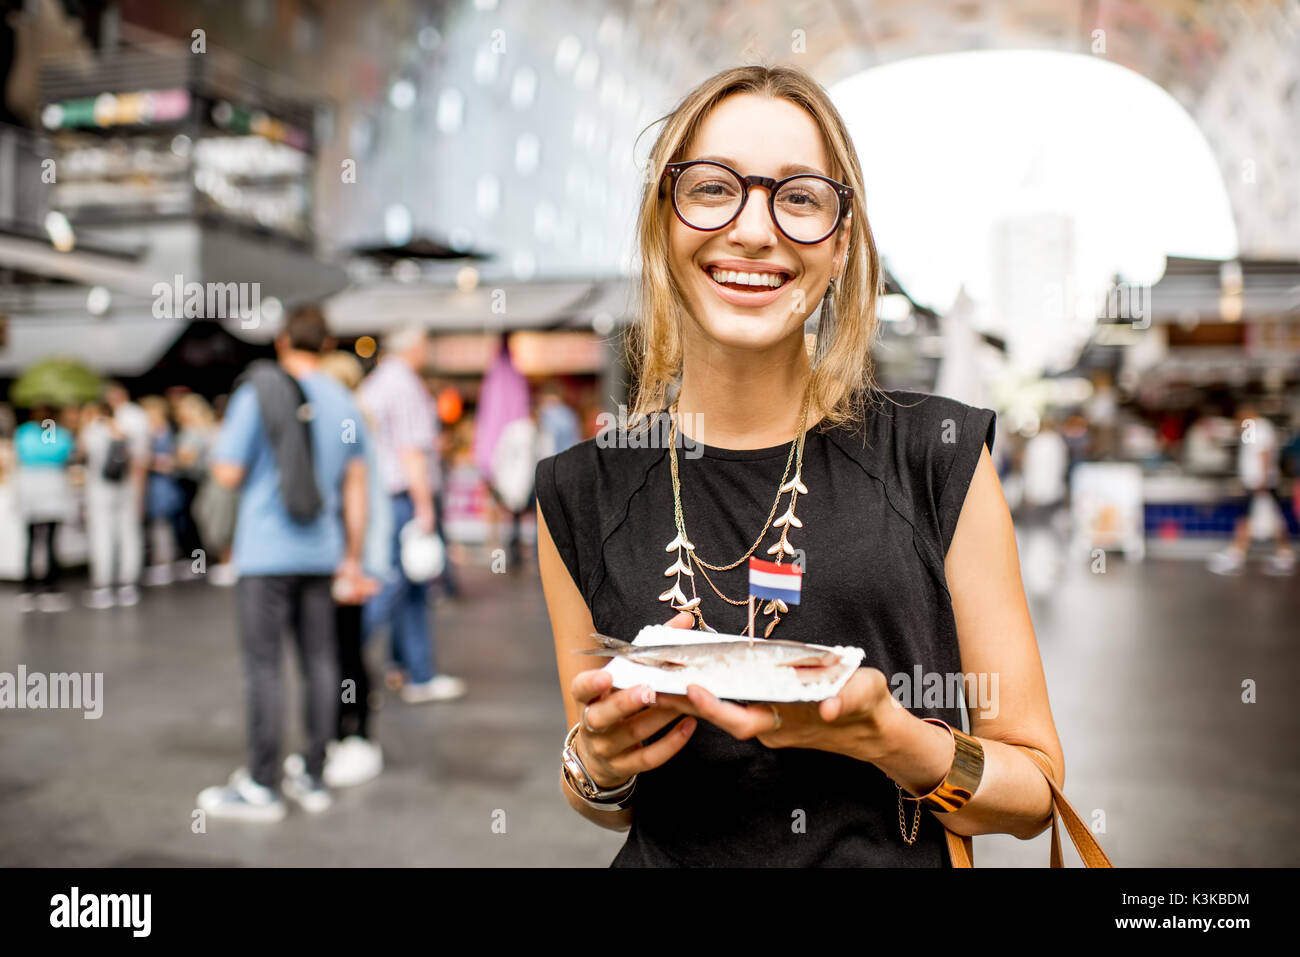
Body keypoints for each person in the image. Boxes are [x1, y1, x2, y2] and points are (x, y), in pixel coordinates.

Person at [535, 65, 1065, 866]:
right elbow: (604, 797)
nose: (753, 229)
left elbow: (1035, 794)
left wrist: (893, 739)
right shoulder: (579, 489)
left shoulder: (937, 456)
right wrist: (599, 764)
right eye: (713, 188)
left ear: (841, 240)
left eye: (800, 197)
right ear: (662, 217)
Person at [196, 305, 370, 821]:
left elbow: (226, 471)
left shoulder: (258, 393)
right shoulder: (344, 401)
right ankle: (313, 776)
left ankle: (261, 785)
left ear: (282, 342)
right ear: (328, 343)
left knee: (263, 666)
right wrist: (352, 557)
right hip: (322, 552)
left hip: (265, 553)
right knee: (322, 662)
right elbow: (356, 489)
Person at [359, 324, 465, 704]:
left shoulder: (376, 384)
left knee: (399, 585)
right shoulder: (405, 386)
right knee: (404, 585)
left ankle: (404, 668)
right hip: (402, 497)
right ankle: (407, 670)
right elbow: (411, 452)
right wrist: (424, 508)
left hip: (381, 496)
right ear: (414, 347)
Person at [81, 385, 150, 609]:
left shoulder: (94, 427)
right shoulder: (134, 422)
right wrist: (140, 493)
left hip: (100, 489)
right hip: (127, 487)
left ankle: (103, 584)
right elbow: (140, 461)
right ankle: (127, 584)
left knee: (102, 534)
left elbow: (82, 452)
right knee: (128, 533)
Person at [1208, 401, 1295, 576]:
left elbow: (1264, 453)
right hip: (1257, 483)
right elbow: (1249, 449)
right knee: (1271, 519)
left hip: (1262, 484)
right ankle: (1284, 555)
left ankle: (1237, 555)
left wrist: (1262, 479)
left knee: (1248, 519)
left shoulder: (1261, 428)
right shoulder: (1253, 428)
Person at [13, 405, 75, 612]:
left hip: (31, 485)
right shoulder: (58, 433)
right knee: (49, 540)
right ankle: (50, 587)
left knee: (32, 539)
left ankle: (29, 588)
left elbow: (20, 454)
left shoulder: (25, 433)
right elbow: (64, 453)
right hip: (52, 485)